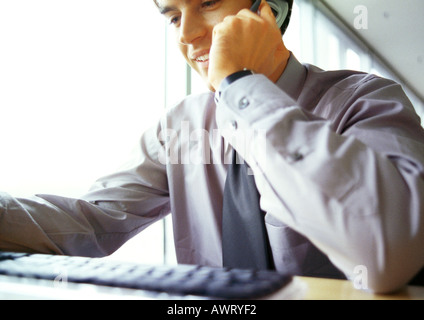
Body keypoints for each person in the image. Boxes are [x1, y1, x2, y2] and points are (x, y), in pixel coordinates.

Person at [1, 0, 423, 294]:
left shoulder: (364, 99)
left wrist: (240, 85)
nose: (186, 33)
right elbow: (91, 222)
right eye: (172, 17)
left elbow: (386, 252)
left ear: (269, 10)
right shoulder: (179, 126)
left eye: (208, 2)